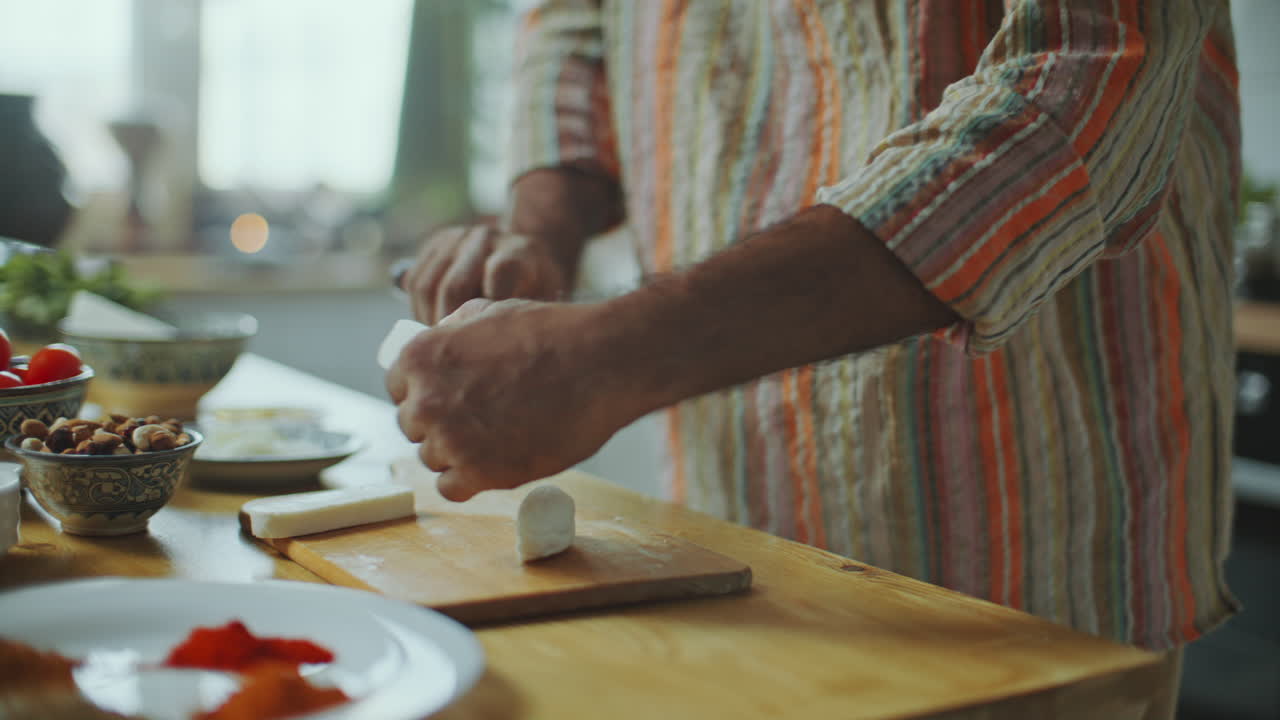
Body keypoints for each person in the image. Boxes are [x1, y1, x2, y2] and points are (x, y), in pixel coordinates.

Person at [388, 2, 1238, 714]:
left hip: (1033, 542)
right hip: (728, 533)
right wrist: (538, 233)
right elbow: (575, 24)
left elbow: (1084, 88)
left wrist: (608, 356)